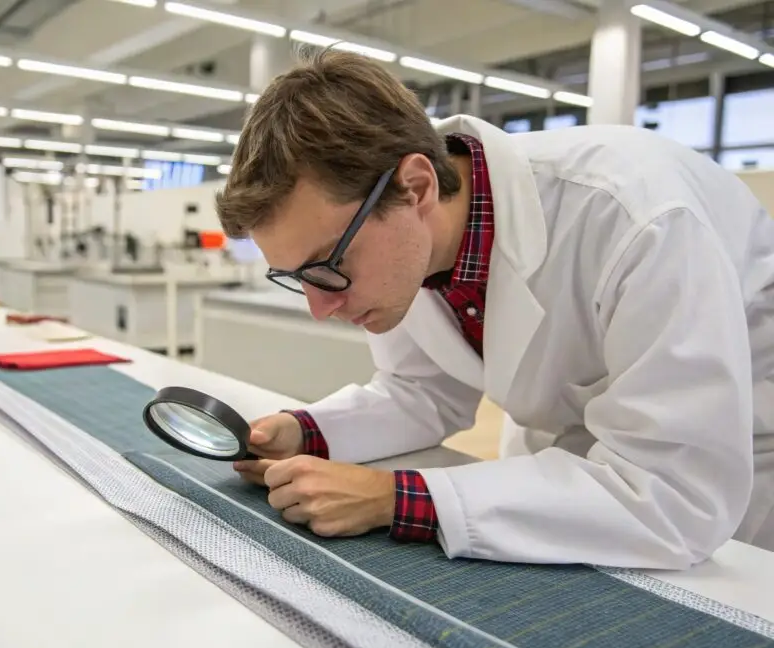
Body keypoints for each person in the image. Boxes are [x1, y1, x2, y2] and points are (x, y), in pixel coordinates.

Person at [213, 47, 774, 570]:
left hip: (736, 444)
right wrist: (303, 430)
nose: (320, 307)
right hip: (567, 453)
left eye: (326, 266)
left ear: (415, 187)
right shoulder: (408, 244)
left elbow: (675, 493)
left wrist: (396, 498)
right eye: (295, 278)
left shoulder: (637, 217)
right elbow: (423, 391)